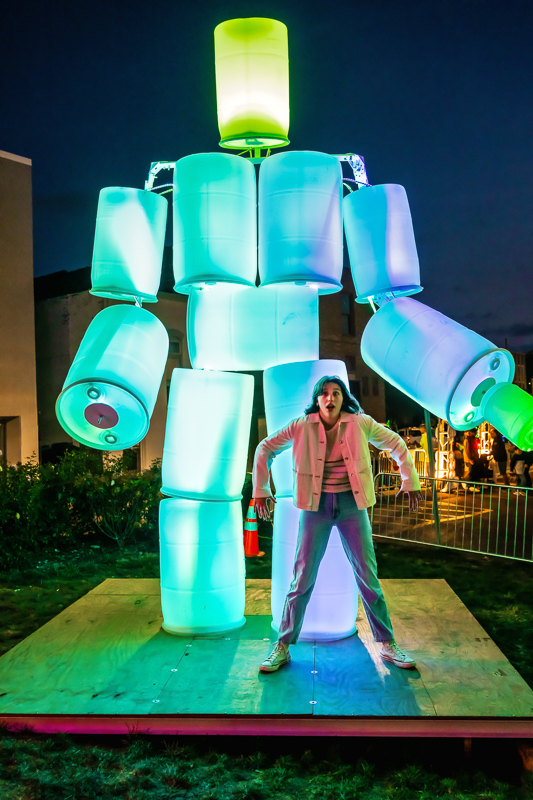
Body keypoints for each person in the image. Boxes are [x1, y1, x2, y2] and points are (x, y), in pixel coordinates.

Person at [252, 376, 422, 674]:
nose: (330, 398)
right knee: (301, 578)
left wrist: (409, 480)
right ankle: (282, 647)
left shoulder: (360, 423)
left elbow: (395, 443)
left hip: (352, 506)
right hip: (315, 508)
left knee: (367, 576)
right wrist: (261, 488)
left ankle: (388, 644)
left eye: (336, 393)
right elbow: (265, 448)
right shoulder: (301, 425)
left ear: (344, 398)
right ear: (317, 399)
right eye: (324, 393)